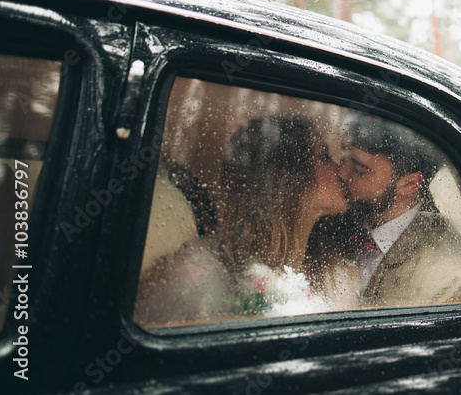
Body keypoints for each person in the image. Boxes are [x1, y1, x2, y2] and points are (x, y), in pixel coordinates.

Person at [134, 115, 360, 327]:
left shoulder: (338, 277)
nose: (342, 171)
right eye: (323, 157)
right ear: (285, 180)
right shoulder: (198, 275)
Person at [328, 113, 461, 308]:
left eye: (360, 170)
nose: (341, 172)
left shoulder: (449, 280)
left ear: (409, 184)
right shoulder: (332, 219)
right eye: (344, 157)